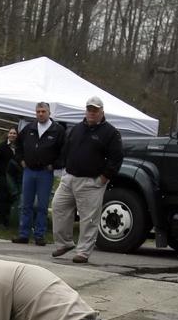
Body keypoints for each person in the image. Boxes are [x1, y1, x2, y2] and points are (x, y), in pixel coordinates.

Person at [50, 96, 123, 264]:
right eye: (89, 109)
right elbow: (66, 150)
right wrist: (64, 169)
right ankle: (64, 243)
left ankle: (83, 251)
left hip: (92, 182)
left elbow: (116, 157)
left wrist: (104, 177)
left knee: (89, 219)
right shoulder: (76, 129)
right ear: (86, 110)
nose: (91, 112)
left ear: (102, 112)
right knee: (58, 207)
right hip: (69, 178)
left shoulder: (110, 133)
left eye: (95, 110)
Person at [14, 101, 65, 245]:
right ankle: (23, 234)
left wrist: (55, 165)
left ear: (49, 113)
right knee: (26, 204)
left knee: (42, 205)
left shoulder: (57, 130)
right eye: (38, 112)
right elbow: (18, 145)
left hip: (45, 173)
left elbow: (64, 151)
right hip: (29, 171)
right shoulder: (29, 128)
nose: (41, 114)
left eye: (43, 111)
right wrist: (21, 161)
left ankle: (39, 235)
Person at [0, 127, 21, 228]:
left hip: (14, 179)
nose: (12, 135)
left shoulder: (19, 148)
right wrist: (2, 176)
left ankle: (6, 221)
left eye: (14, 133)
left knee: (10, 200)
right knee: (1, 199)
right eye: (11, 133)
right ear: (8, 134)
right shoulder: (1, 146)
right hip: (3, 177)